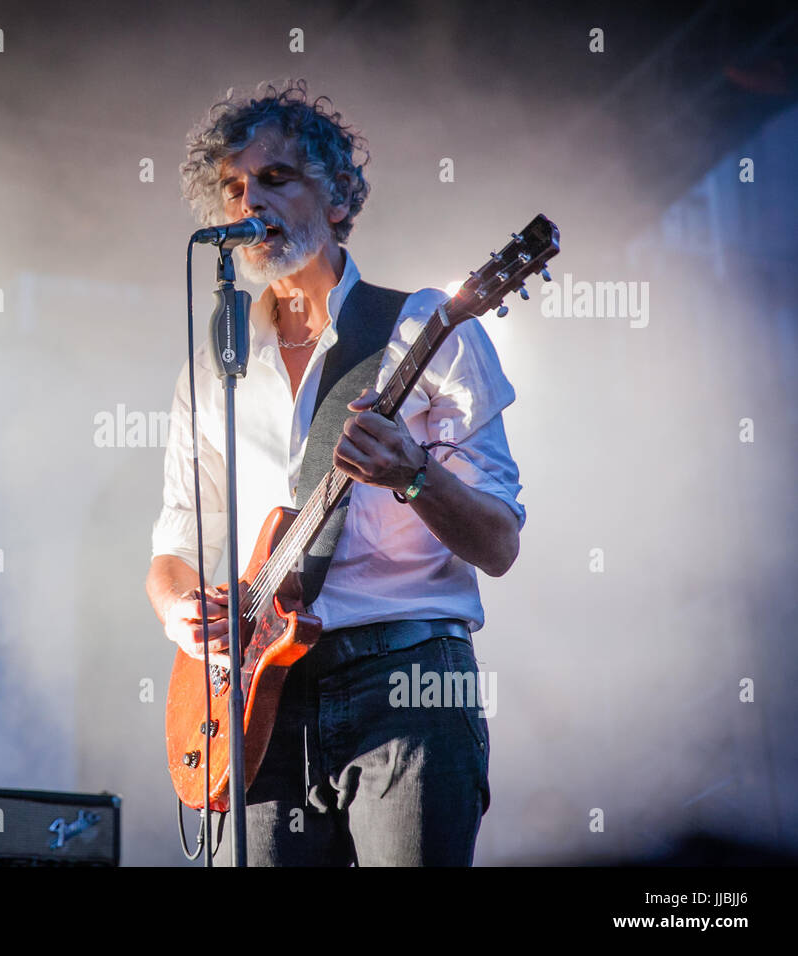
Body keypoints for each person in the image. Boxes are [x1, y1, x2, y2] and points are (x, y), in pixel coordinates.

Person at [144, 79, 525, 866]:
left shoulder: (423, 326)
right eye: (234, 187)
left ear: (341, 196)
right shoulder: (211, 370)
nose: (251, 199)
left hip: (408, 682)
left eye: (277, 178)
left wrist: (413, 474)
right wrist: (182, 612)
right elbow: (179, 537)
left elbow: (498, 543)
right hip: (256, 700)